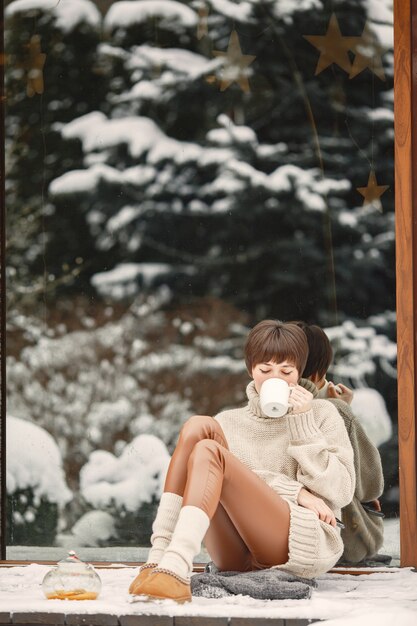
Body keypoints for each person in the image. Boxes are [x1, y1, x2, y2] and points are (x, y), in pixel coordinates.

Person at [128, 320, 355, 602]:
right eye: (265, 370)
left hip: (298, 543)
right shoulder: (228, 422)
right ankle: (158, 559)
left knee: (210, 451)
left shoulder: (321, 414)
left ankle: (176, 565)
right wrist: (295, 491)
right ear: (250, 370)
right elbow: (236, 478)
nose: (277, 379)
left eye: (287, 371)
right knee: (199, 428)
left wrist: (302, 423)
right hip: (233, 553)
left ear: (299, 372)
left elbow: (342, 492)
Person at [294, 321, 385, 564]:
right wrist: (343, 409)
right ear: (317, 373)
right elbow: (370, 485)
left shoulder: (261, 410)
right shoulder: (335, 412)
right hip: (338, 541)